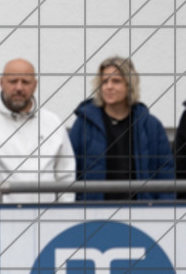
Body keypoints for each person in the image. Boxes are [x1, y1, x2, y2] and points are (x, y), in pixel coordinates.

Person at [0, 59, 76, 203]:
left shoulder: (53, 123)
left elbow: (66, 177)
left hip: (48, 220)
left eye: (26, 82)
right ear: (1, 83)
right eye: (13, 81)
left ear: (35, 85)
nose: (19, 87)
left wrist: (63, 215)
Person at [70, 56, 173, 201]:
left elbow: (165, 173)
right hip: (94, 214)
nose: (109, 86)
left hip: (141, 215)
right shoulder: (84, 124)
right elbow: (70, 170)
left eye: (116, 81)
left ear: (129, 85)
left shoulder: (151, 126)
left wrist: (164, 211)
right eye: (104, 82)